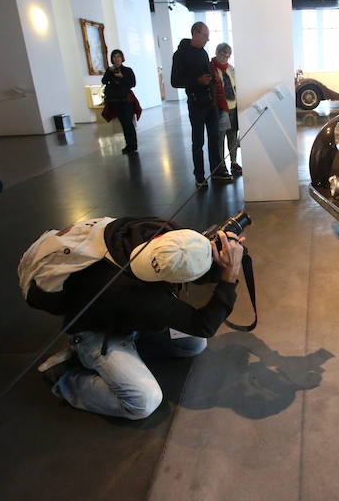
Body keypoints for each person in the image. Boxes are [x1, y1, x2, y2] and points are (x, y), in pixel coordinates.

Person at [27, 218, 245, 420]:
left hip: (126, 316)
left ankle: (129, 352)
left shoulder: (156, 230)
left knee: (193, 344)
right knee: (143, 401)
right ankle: (66, 377)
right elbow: (204, 325)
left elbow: (184, 265)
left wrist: (211, 256)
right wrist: (230, 274)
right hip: (95, 331)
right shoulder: (133, 293)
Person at [170, 22, 232, 188]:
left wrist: (211, 79)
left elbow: (207, 74)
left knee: (214, 138)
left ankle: (217, 171)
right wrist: (197, 80)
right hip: (196, 103)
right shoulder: (180, 55)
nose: (207, 39)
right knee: (198, 142)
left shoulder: (203, 53)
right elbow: (174, 81)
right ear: (195, 33)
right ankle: (199, 176)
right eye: (205, 35)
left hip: (210, 102)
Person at [211, 43, 241, 176]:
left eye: (227, 56)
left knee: (233, 136)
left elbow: (236, 87)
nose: (225, 58)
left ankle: (234, 162)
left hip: (233, 107)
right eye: (223, 55)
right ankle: (221, 164)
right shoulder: (211, 68)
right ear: (217, 53)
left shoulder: (231, 69)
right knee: (220, 138)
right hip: (220, 109)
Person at [101, 49, 138, 155]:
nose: (116, 59)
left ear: (122, 58)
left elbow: (132, 83)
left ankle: (133, 145)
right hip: (116, 101)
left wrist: (122, 77)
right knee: (123, 123)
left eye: (118, 56)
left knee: (128, 122)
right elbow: (104, 81)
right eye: (114, 57)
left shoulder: (127, 70)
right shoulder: (110, 70)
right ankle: (128, 145)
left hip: (126, 100)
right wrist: (109, 72)